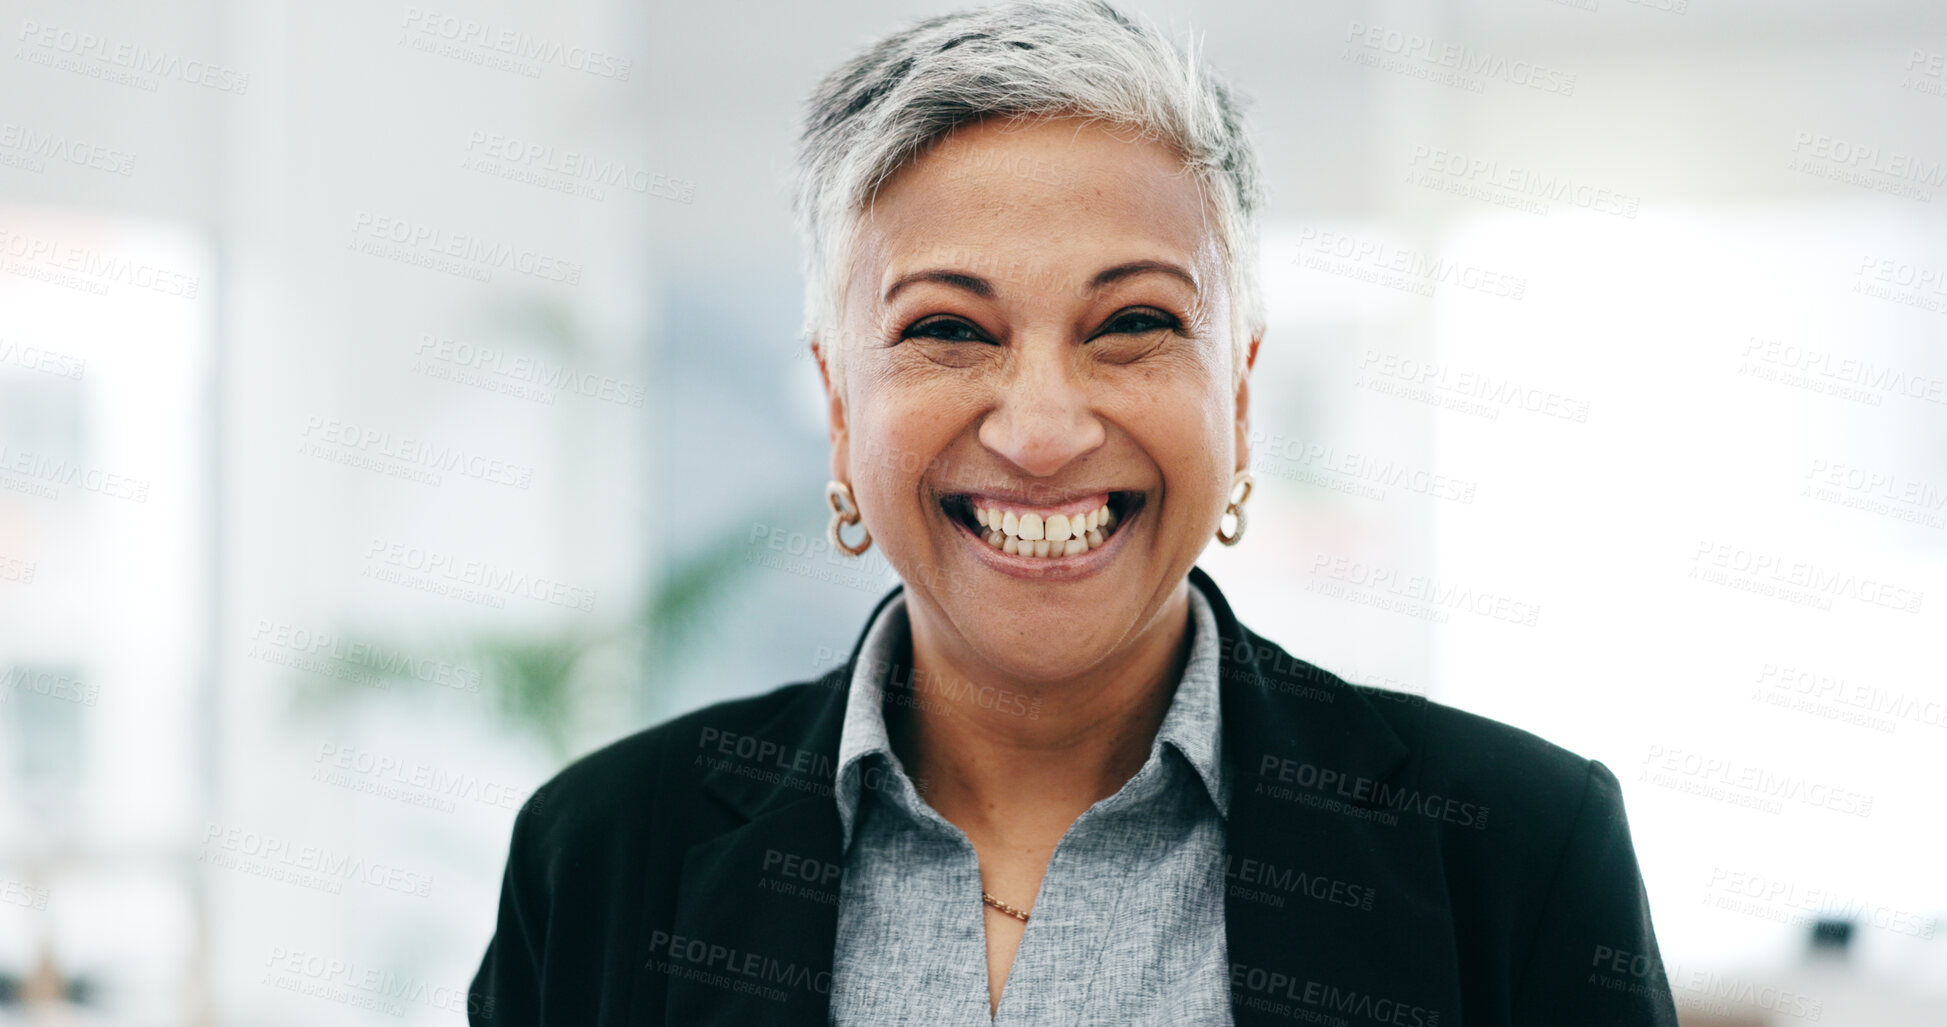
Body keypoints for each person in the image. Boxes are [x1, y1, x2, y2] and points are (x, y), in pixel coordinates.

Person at [468, 2, 1679, 1024]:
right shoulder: (599, 856)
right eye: (946, 329)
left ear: (1240, 400)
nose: (1040, 431)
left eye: (1133, 324)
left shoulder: (1519, 849)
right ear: (840, 409)